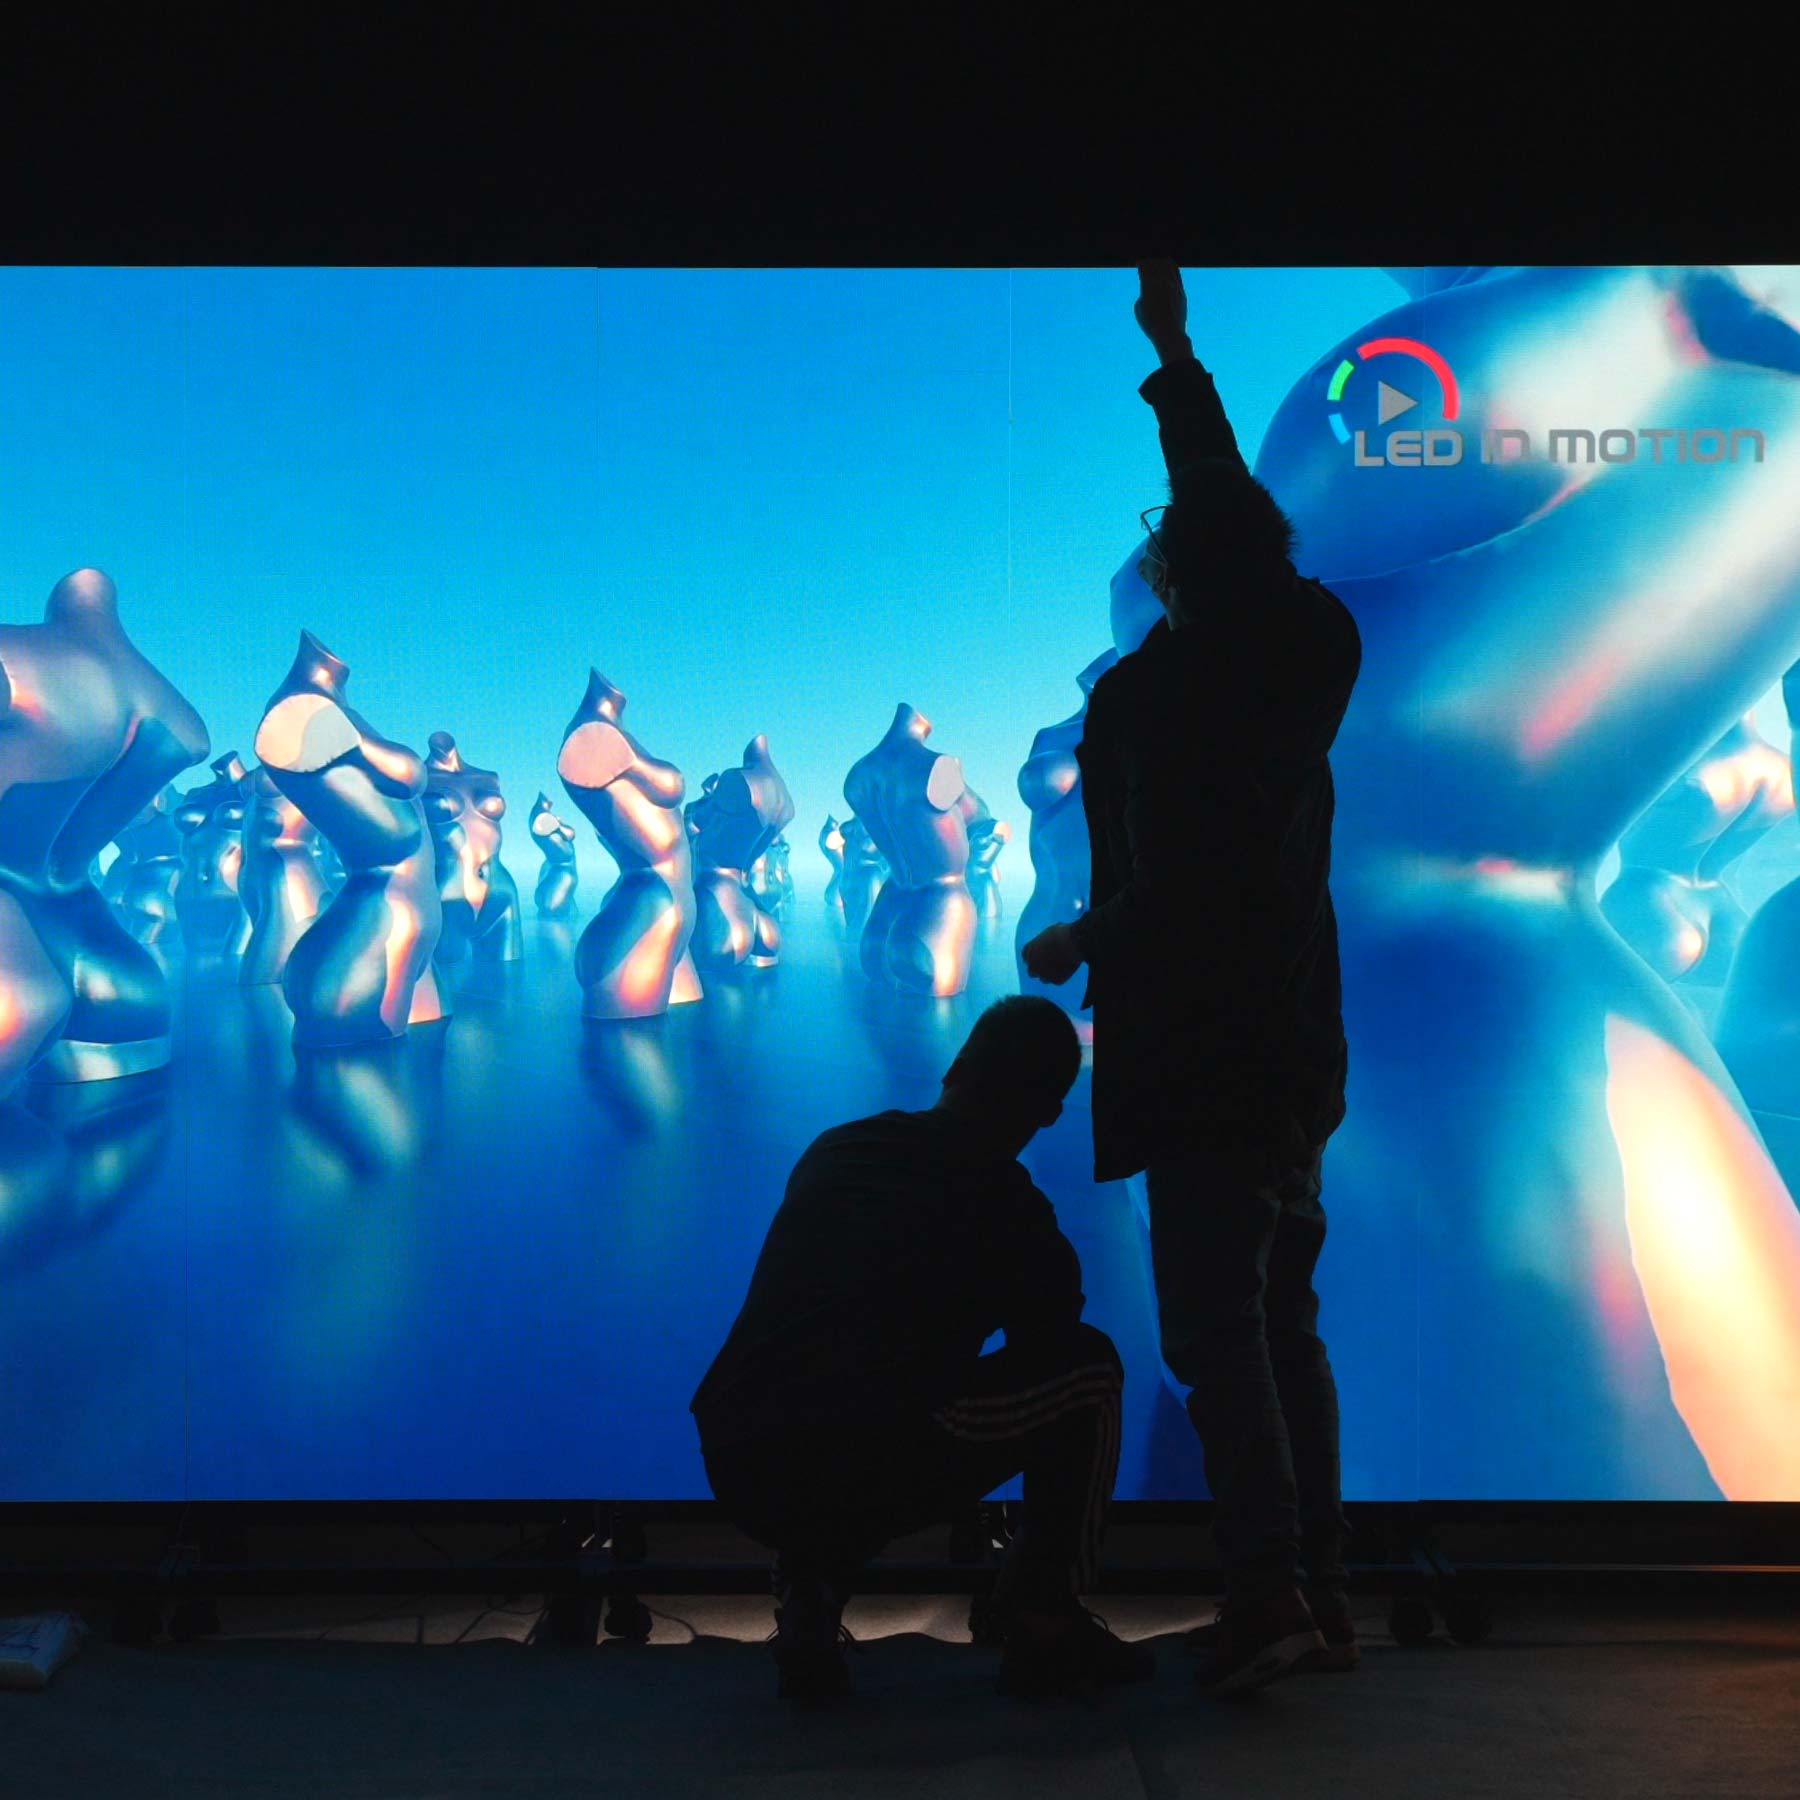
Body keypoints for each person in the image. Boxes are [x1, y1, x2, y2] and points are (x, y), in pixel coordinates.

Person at [1022, 261, 1363, 1696]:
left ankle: (1268, 1594)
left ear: (1182, 571)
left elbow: (1181, 872)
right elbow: (1224, 511)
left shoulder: (1180, 687)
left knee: (1218, 1331)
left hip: (1203, 1053)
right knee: (1281, 1323)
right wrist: (1173, 357)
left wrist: (1081, 941)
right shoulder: (1306, 647)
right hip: (1293, 1047)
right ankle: (1316, 1594)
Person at [691, 995, 1152, 1702]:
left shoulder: (839, 1146)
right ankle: (1044, 1619)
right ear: (1050, 1112)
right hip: (862, 1457)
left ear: (956, 1067)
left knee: (861, 1390)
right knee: (1086, 1372)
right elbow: (1049, 1345)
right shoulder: (1012, 1206)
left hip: (736, 1450)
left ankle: (812, 1589)